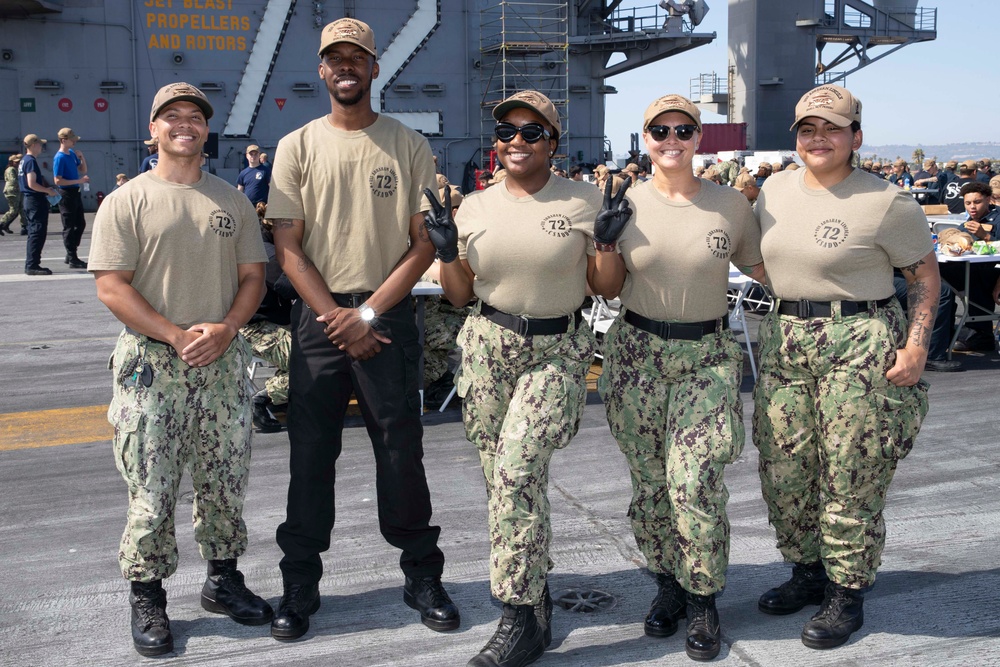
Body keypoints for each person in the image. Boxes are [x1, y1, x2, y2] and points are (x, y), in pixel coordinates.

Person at [265, 17, 459, 642]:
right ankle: (300, 580)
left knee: (401, 450)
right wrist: (338, 319)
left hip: (386, 314)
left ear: (376, 69)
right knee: (310, 453)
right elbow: (288, 250)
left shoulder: (409, 145)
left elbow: (424, 243)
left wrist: (367, 314)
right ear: (322, 71)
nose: (346, 67)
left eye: (358, 58)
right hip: (320, 316)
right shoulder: (296, 146)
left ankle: (422, 573)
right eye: (335, 59)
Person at [424, 88, 626, 667]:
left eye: (531, 132)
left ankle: (515, 617)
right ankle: (536, 602)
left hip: (556, 349)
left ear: (553, 143)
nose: (517, 141)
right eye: (507, 132)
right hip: (488, 344)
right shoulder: (475, 207)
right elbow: (460, 294)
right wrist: (446, 253)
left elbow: (607, 287)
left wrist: (607, 242)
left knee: (515, 467)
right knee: (504, 481)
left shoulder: (586, 200)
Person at [89, 82, 272, 657]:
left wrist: (226, 329)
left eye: (194, 116)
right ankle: (148, 593)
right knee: (152, 485)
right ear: (154, 130)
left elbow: (252, 278)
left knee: (224, 478)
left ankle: (222, 580)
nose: (184, 124)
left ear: (205, 131)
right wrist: (172, 333)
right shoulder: (127, 201)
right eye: (172, 117)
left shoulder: (232, 201)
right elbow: (110, 285)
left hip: (221, 361)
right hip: (151, 363)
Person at [752, 84, 935, 650]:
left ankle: (846, 589)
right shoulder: (774, 189)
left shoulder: (885, 201)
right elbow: (761, 257)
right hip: (786, 339)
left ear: (856, 137)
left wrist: (916, 347)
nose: (819, 138)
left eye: (832, 128)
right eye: (808, 129)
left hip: (858, 339)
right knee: (784, 468)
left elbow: (926, 279)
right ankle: (806, 571)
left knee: (850, 472)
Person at [593, 94, 765, 662]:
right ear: (645, 137)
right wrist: (605, 240)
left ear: (699, 137)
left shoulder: (731, 206)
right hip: (636, 350)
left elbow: (770, 268)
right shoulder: (625, 201)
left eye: (684, 129)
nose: (672, 140)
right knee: (650, 485)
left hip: (708, 354)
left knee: (693, 480)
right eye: (660, 130)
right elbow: (607, 289)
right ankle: (667, 582)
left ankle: (702, 598)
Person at [241, 202, 298, 433]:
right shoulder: (270, 253)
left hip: (263, 324)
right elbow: (291, 287)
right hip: (255, 328)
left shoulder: (261, 246)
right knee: (308, 361)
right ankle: (262, 399)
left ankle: (285, 395)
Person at [942, 181, 1000, 352]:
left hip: (992, 272)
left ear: (988, 200)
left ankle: (981, 335)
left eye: (977, 202)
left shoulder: (997, 218)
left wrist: (985, 235)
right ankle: (948, 331)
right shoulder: (968, 221)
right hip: (972, 269)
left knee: (973, 279)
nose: (972, 207)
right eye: (968, 203)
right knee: (941, 278)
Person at [19, 134, 60, 275]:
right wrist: (48, 191)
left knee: (34, 232)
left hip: (29, 200)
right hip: (34, 200)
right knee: (37, 233)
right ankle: (32, 265)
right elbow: (32, 183)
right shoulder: (30, 161)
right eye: (40, 144)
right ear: (33, 145)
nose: (42, 147)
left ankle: (32, 263)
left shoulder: (24, 160)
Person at [52, 127, 90, 268]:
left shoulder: (72, 154)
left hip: (75, 192)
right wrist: (78, 181)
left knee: (80, 224)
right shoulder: (60, 157)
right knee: (69, 226)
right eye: (72, 139)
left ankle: (71, 252)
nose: (74, 142)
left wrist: (81, 157)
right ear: (64, 140)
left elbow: (82, 170)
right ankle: (72, 256)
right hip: (66, 194)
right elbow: (58, 180)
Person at [1, 153, 24, 235]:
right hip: (12, 191)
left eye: (18, 162)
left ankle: (6, 225)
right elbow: (13, 180)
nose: (17, 163)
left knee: (20, 209)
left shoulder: (15, 169)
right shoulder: (11, 169)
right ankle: (2, 223)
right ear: (11, 162)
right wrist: (22, 184)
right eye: (16, 162)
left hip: (17, 191)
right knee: (13, 210)